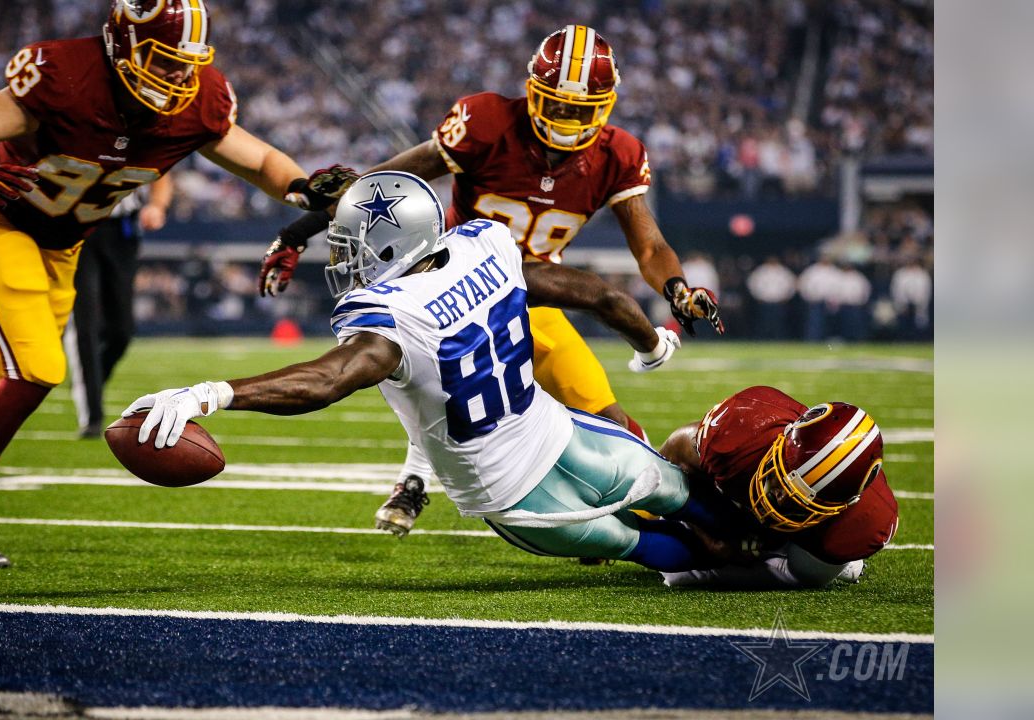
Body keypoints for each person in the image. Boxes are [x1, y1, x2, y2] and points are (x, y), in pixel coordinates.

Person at [0, 0, 346, 567]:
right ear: (123, 46)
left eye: (188, 64)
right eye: (165, 62)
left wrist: (306, 190)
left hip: (63, 242)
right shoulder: (66, 76)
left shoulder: (198, 102)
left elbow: (259, 161)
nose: (180, 77)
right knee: (37, 370)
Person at [123, 171, 736, 571]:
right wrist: (648, 340)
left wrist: (213, 393)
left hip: (514, 494)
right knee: (686, 495)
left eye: (350, 244)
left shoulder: (387, 313)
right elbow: (595, 294)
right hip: (566, 435)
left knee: (660, 552)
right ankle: (807, 552)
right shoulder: (484, 245)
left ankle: (759, 568)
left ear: (390, 247)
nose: (343, 257)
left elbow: (326, 381)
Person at [257, 25, 724, 537]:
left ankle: (669, 522)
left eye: (579, 108)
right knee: (429, 381)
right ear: (532, 92)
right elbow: (389, 186)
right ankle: (414, 476)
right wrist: (301, 228)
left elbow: (651, 246)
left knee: (612, 421)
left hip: (535, 293)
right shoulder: (487, 121)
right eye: (556, 104)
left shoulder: (619, 154)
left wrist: (676, 287)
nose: (566, 120)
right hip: (458, 286)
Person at [657, 386, 899, 588]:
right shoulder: (745, 429)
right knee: (673, 529)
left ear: (844, 506)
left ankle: (791, 553)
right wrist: (706, 539)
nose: (778, 499)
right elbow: (672, 454)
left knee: (807, 575)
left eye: (799, 501)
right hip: (740, 494)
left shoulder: (865, 522)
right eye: (779, 477)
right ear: (782, 440)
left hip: (814, 538)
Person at [66, 174, 174, 438]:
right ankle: (92, 415)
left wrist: (157, 206)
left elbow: (162, 171)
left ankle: (91, 380)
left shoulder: (137, 136)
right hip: (75, 225)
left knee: (122, 331)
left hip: (122, 230)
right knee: (87, 323)